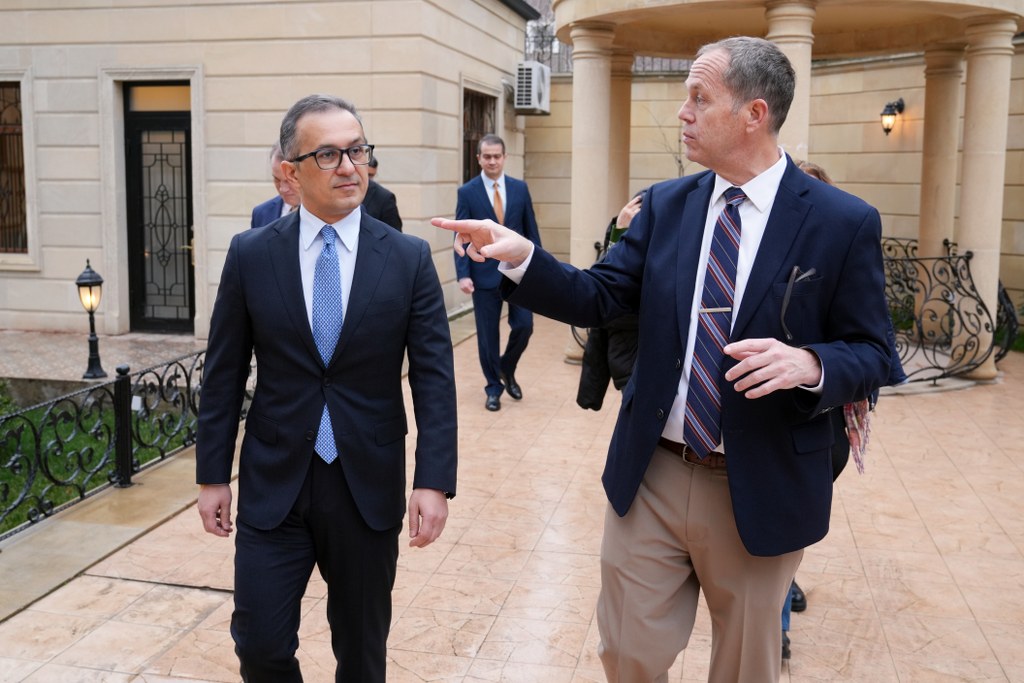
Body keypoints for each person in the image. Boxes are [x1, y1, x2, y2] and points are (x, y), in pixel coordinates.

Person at [434, 36, 893, 683]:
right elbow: (599, 295)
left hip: (761, 479)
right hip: (653, 470)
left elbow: (874, 351)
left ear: (753, 114)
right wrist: (523, 258)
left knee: (744, 668)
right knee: (628, 653)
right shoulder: (666, 205)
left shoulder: (842, 221)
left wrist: (811, 365)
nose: (683, 111)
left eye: (699, 98)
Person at [196, 93, 457, 683]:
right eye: (329, 154)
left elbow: (434, 380)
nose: (349, 166)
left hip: (366, 485)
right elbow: (224, 373)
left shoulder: (409, 259)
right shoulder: (251, 254)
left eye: (357, 151)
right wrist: (212, 474)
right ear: (290, 172)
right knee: (260, 647)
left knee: (362, 656)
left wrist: (434, 480)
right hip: (274, 484)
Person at [454, 133, 542, 411]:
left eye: (496, 156)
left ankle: (507, 366)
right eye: (487, 156)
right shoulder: (467, 192)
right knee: (487, 335)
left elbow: (531, 230)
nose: (492, 161)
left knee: (524, 326)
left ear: (504, 158)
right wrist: (463, 274)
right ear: (478, 158)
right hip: (482, 273)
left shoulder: (520, 189)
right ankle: (493, 387)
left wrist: (539, 268)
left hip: (517, 271)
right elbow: (460, 235)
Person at [576, 192, 644, 411]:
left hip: (651, 353)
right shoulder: (618, 232)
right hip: (626, 354)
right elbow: (608, 287)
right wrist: (621, 232)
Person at [250, 142, 300, 228]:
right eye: (277, 179)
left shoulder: (324, 213)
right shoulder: (261, 213)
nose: (283, 189)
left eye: (289, 180)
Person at [362, 156, 403, 231]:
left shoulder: (384, 197)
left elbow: (394, 232)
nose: (368, 179)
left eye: (371, 175)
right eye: (366, 174)